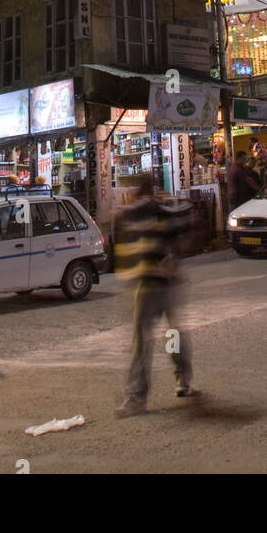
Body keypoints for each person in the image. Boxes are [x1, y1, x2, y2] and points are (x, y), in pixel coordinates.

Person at [114, 174, 197, 416]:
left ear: (137, 190)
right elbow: (181, 236)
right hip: (162, 283)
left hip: (147, 285)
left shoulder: (135, 212)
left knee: (142, 341)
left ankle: (136, 398)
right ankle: (182, 378)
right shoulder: (162, 210)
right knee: (171, 333)